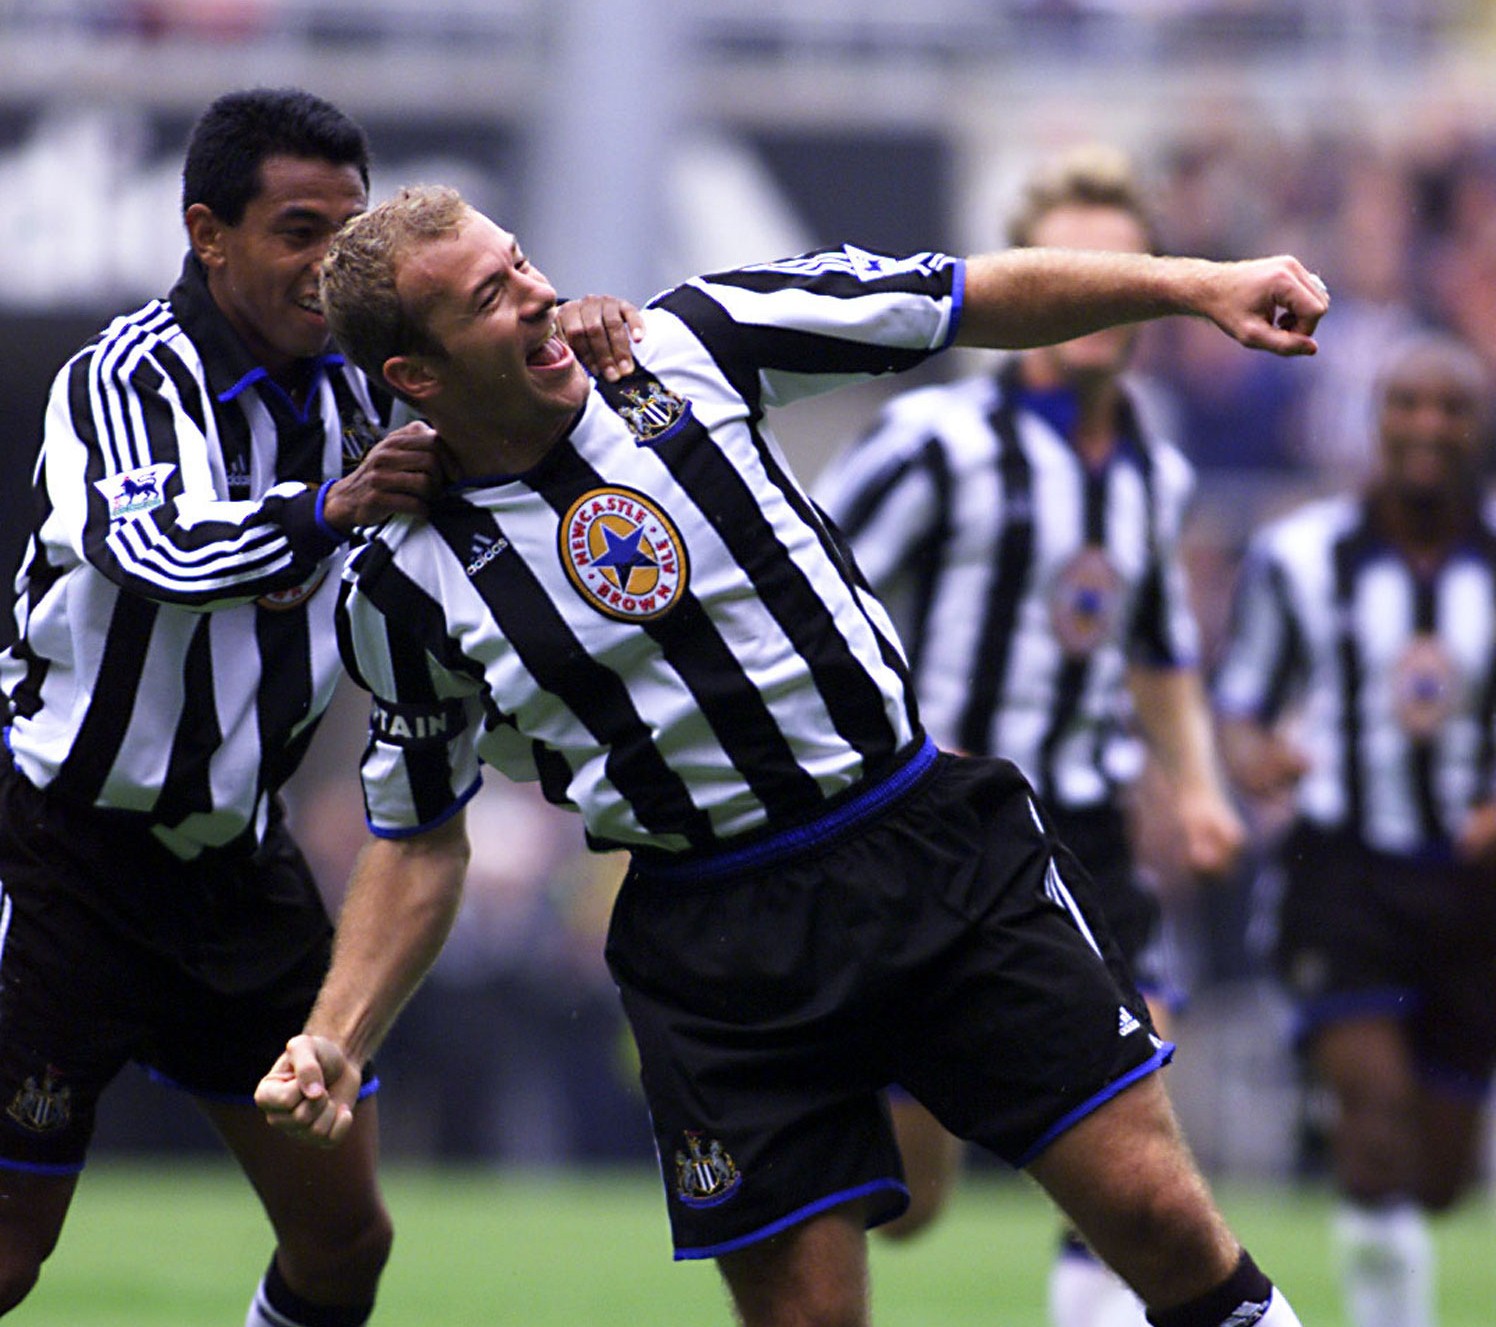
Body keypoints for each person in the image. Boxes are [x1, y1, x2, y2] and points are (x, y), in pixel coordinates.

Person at [255, 182, 1328, 1327]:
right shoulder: (401, 580)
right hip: (716, 946)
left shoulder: (690, 341)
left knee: (1157, 1221)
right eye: (488, 297)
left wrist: (1197, 286)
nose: (536, 297)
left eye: (520, 263)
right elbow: (418, 838)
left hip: (923, 846)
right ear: (415, 375)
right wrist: (335, 1034)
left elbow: (963, 293)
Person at [812, 144, 1246, 1327]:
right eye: (1073, 266)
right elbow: (799, 587)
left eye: (1122, 269)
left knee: (1134, 1111)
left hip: (1089, 827)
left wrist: (1198, 787)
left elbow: (1155, 649)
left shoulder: (1152, 472)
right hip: (940, 834)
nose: (1095, 292)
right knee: (913, 1205)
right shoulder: (933, 441)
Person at [1213, 331, 1496, 1327]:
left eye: (1448, 408)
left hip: (1470, 886)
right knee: (1370, 1134)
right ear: (1375, 422)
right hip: (1339, 869)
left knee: (1437, 1176)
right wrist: (1252, 760)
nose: (1426, 426)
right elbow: (1241, 702)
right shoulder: (1300, 556)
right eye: (1405, 405)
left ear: (1477, 426)